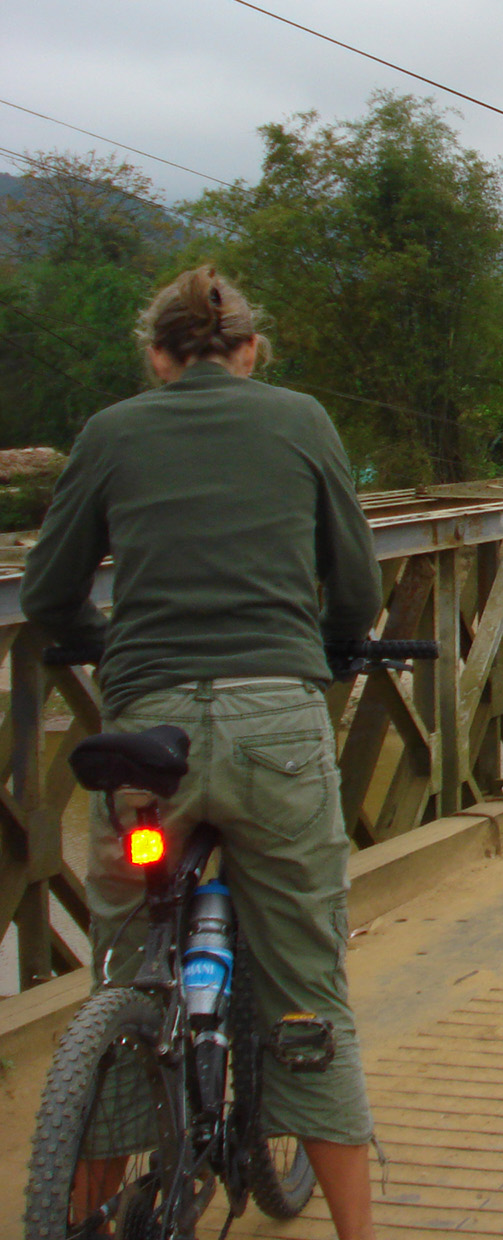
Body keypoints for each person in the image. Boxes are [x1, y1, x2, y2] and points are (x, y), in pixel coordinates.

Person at [23, 267, 385, 1240]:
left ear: (156, 357)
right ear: (250, 350)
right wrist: (339, 642)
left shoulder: (108, 433)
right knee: (309, 989)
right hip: (276, 729)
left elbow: (51, 590)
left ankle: (73, 1210)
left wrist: (110, 645)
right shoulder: (303, 420)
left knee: (127, 969)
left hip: (148, 740)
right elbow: (356, 586)